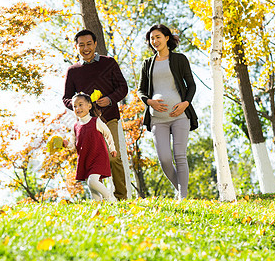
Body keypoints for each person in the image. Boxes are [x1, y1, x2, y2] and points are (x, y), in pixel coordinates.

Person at [63, 29, 129, 200]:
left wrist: (109, 99)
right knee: (91, 159)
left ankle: (121, 198)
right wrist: (80, 106)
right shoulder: (73, 71)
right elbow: (66, 98)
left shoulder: (109, 63)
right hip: (87, 123)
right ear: (76, 47)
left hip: (109, 117)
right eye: (82, 45)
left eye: (89, 44)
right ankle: (98, 199)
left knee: (114, 158)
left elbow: (123, 88)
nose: (86, 48)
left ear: (95, 44)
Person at [138, 24, 198, 200]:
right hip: (157, 119)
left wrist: (185, 103)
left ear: (166, 38)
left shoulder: (180, 59)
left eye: (158, 37)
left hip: (180, 116)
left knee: (180, 156)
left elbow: (191, 85)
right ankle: (180, 189)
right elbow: (141, 90)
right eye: (152, 38)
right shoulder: (147, 64)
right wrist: (150, 102)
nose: (155, 41)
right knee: (164, 159)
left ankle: (183, 198)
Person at [65, 92, 117, 202]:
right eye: (74, 106)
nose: (77, 108)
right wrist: (66, 145)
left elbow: (108, 134)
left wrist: (112, 148)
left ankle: (110, 198)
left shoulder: (96, 121)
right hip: (85, 159)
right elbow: (72, 146)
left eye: (80, 104)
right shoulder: (75, 126)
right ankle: (98, 207)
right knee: (92, 188)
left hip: (99, 157)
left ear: (89, 106)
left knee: (92, 181)